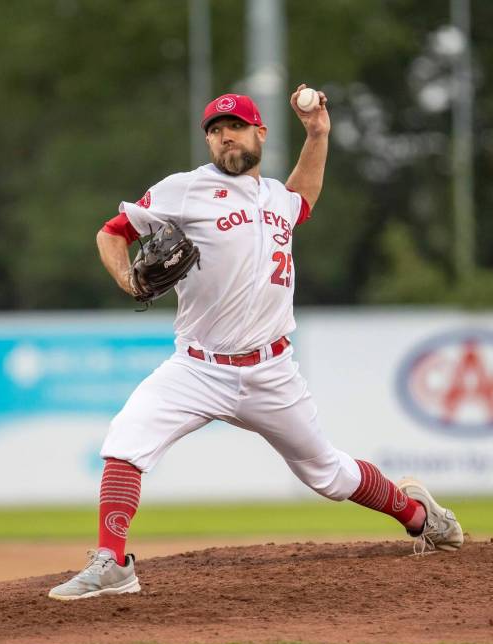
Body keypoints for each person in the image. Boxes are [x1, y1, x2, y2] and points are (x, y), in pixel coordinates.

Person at [48, 86, 463, 601]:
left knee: (328, 475)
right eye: (216, 131)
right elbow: (111, 233)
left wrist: (318, 133)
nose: (225, 137)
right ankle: (112, 562)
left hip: (271, 371)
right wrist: (129, 282)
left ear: (259, 133)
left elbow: (304, 198)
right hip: (198, 367)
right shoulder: (183, 190)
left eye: (236, 127)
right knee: (125, 442)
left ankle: (420, 515)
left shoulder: (277, 200)